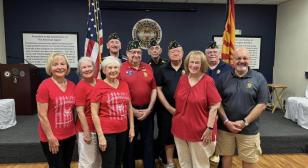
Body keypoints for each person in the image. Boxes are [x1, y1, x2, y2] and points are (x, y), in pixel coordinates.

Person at [215, 48, 270, 168]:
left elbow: (262, 104)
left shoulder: (259, 78)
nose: (241, 61)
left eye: (245, 58)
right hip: (225, 128)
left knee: (249, 160)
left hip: (249, 129)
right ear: (232, 61)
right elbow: (217, 102)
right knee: (226, 157)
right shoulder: (223, 78)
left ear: (249, 60)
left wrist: (245, 122)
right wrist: (226, 121)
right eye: (238, 58)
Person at [172, 50, 221, 168]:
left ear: (202, 64)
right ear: (187, 63)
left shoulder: (208, 81)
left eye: (197, 63)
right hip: (180, 128)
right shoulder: (182, 79)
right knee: (184, 163)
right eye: (191, 62)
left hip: (201, 131)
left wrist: (209, 128)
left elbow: (215, 106)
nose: (193, 65)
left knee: (200, 164)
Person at [91, 56, 135, 168]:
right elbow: (94, 113)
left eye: (115, 67)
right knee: (108, 164)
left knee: (118, 162)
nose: (113, 70)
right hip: (107, 132)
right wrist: (100, 136)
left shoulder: (124, 84)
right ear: (104, 70)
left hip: (123, 131)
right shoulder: (98, 86)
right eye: (109, 68)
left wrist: (132, 128)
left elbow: (129, 107)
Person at [121, 40, 157, 168]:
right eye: (133, 52)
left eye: (138, 52)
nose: (136, 54)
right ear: (127, 53)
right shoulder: (121, 68)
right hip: (129, 113)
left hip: (147, 111)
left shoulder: (147, 67)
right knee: (130, 143)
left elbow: (154, 89)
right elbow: (121, 93)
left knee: (148, 143)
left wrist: (149, 109)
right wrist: (132, 111)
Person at [36, 53, 76, 168]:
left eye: (62, 64)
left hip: (70, 135)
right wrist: (50, 137)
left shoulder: (72, 85)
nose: (59, 67)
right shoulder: (44, 86)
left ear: (67, 67)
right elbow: (42, 115)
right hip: (52, 136)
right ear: (50, 68)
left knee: (66, 165)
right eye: (55, 64)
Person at [156, 40, 184, 168]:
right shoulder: (162, 69)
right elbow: (158, 89)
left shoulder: (189, 68)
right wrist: (168, 107)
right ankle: (170, 162)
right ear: (168, 54)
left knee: (185, 136)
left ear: (183, 53)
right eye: (173, 52)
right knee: (168, 137)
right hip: (167, 110)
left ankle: (185, 162)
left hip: (186, 110)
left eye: (178, 51)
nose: (175, 53)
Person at [75, 57, 101, 168]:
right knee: (88, 162)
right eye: (83, 67)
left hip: (100, 128)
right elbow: (80, 111)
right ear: (80, 71)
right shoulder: (80, 86)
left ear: (94, 68)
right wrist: (86, 132)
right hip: (87, 128)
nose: (87, 69)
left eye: (89, 66)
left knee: (98, 160)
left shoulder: (100, 83)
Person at [147, 39, 167, 165]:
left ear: (160, 50)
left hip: (163, 102)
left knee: (163, 128)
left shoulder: (166, 64)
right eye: (152, 49)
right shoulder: (146, 66)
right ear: (149, 51)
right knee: (149, 129)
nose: (154, 51)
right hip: (150, 101)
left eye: (157, 48)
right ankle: (151, 155)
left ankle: (162, 154)